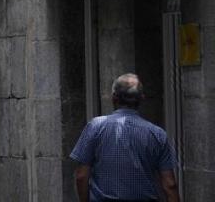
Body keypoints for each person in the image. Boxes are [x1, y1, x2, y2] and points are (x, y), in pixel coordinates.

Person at [71, 73, 179, 202]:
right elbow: (170, 184)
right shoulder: (157, 134)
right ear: (142, 99)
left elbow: (81, 176)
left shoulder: (95, 127)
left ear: (114, 98)